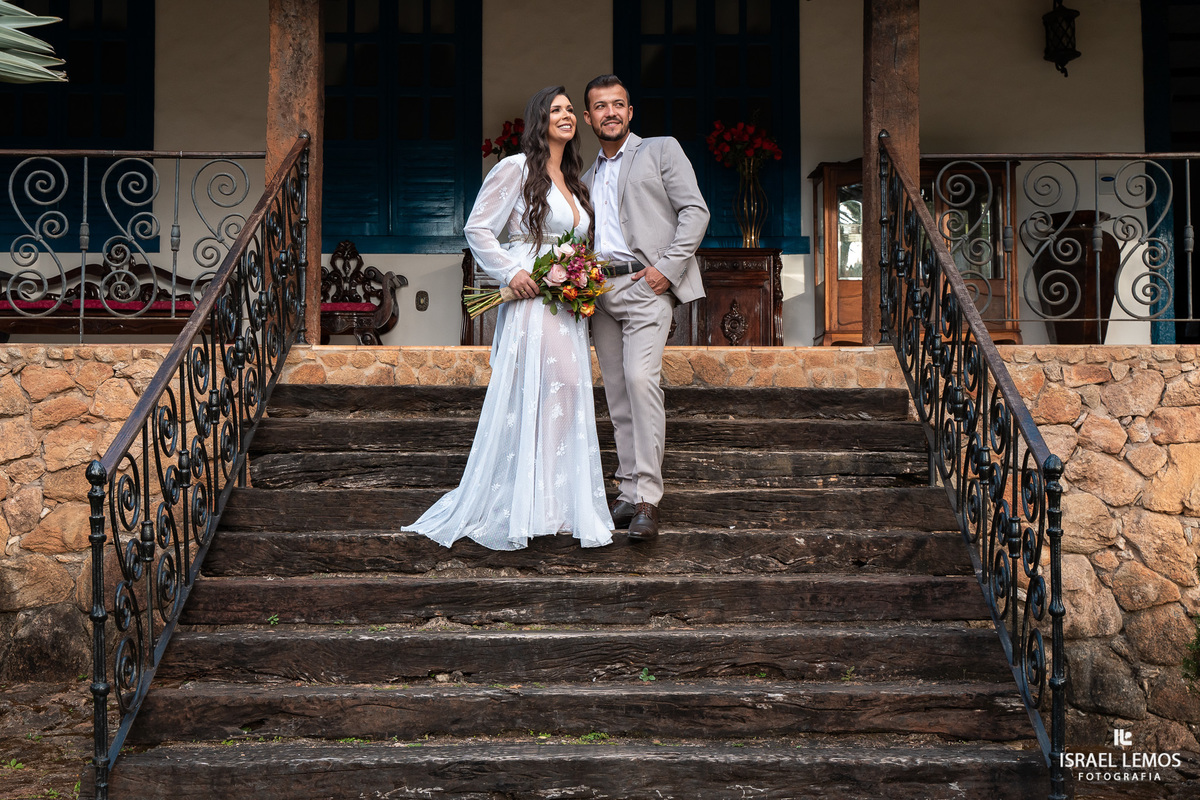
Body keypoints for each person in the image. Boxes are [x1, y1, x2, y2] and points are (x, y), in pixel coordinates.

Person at [403, 86, 614, 551]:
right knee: (548, 385)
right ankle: (528, 502)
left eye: (568, 111)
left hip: (565, 301)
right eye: (555, 110)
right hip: (532, 298)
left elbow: (577, 241)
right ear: (539, 119)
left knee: (568, 390)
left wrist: (581, 276)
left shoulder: (573, 179)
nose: (565, 116)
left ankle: (556, 502)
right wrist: (511, 270)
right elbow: (477, 227)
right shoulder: (515, 169)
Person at [582, 74, 710, 541]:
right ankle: (627, 487)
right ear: (588, 117)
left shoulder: (660, 149)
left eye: (618, 104)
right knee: (617, 393)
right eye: (600, 106)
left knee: (640, 380)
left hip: (646, 286)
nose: (610, 112)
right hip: (600, 293)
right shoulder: (585, 176)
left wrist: (665, 270)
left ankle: (648, 500)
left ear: (630, 113)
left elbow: (695, 211)